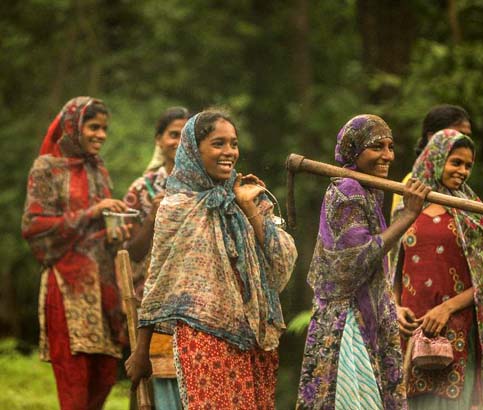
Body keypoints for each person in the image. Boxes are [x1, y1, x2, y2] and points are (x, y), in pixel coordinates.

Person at [125, 108, 297, 409]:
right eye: (218, 143)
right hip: (202, 338)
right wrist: (142, 351)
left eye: (233, 143)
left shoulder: (249, 196)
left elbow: (282, 262)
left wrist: (249, 208)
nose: (229, 151)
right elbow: (158, 280)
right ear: (194, 149)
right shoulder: (176, 207)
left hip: (254, 338)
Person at [392, 129, 483, 409]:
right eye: (455, 162)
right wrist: (394, 307)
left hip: (454, 331)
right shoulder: (407, 209)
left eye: (468, 165)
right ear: (435, 159)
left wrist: (446, 309)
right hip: (409, 331)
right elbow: (394, 272)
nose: (463, 171)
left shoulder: (473, 214)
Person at [296, 114, 431, 409]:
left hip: (366, 313)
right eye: (376, 147)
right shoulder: (347, 191)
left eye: (390, 147)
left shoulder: (369, 191)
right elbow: (360, 258)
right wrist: (409, 215)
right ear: (354, 151)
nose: (387, 156)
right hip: (348, 320)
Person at [22, 96, 129, 410]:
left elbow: (98, 230)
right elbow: (34, 225)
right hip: (68, 286)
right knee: (74, 384)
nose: (101, 135)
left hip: (103, 288)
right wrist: (94, 212)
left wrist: (115, 231)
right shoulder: (47, 168)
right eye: (93, 127)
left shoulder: (99, 169)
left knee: (105, 376)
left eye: (104, 128)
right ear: (73, 127)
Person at [123, 106, 189, 410]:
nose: (178, 141)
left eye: (185, 134)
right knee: (153, 389)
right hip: (152, 305)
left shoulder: (205, 185)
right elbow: (131, 252)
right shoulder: (142, 189)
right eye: (173, 134)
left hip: (193, 304)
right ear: (159, 140)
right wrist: (152, 215)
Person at [390, 104, 471, 221]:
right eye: (456, 134)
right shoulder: (413, 183)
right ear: (433, 138)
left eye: (467, 136)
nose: (465, 141)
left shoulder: (458, 185)